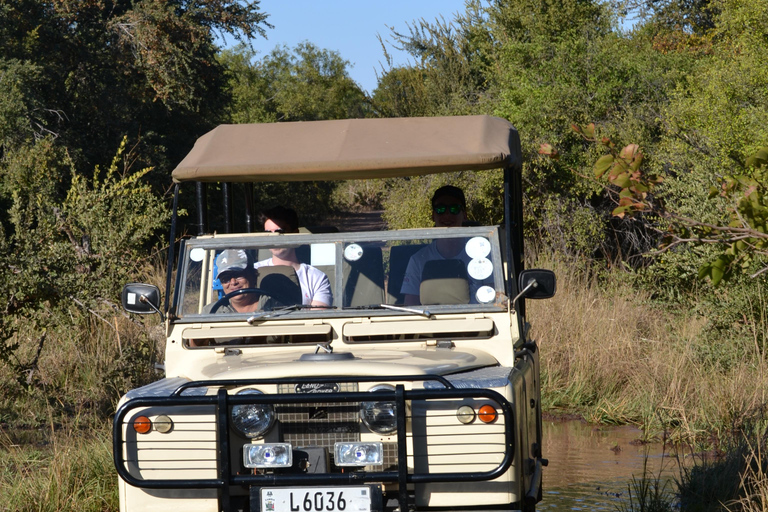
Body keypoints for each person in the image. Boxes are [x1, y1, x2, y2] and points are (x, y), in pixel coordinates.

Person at [401, 185, 491, 305]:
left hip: (477, 319)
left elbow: (494, 298)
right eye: (440, 209)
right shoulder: (418, 260)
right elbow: (411, 306)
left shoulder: (483, 255)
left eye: (454, 209)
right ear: (433, 215)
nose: (447, 215)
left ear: (464, 215)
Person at [256, 206, 333, 307]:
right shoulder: (252, 272)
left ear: (295, 233)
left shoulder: (316, 278)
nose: (274, 239)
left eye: (280, 232)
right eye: (268, 233)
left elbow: (317, 320)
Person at [202, 249, 261, 314]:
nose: (233, 282)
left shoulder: (271, 305)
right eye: (225, 278)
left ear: (253, 276)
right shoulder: (211, 312)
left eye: (238, 275)